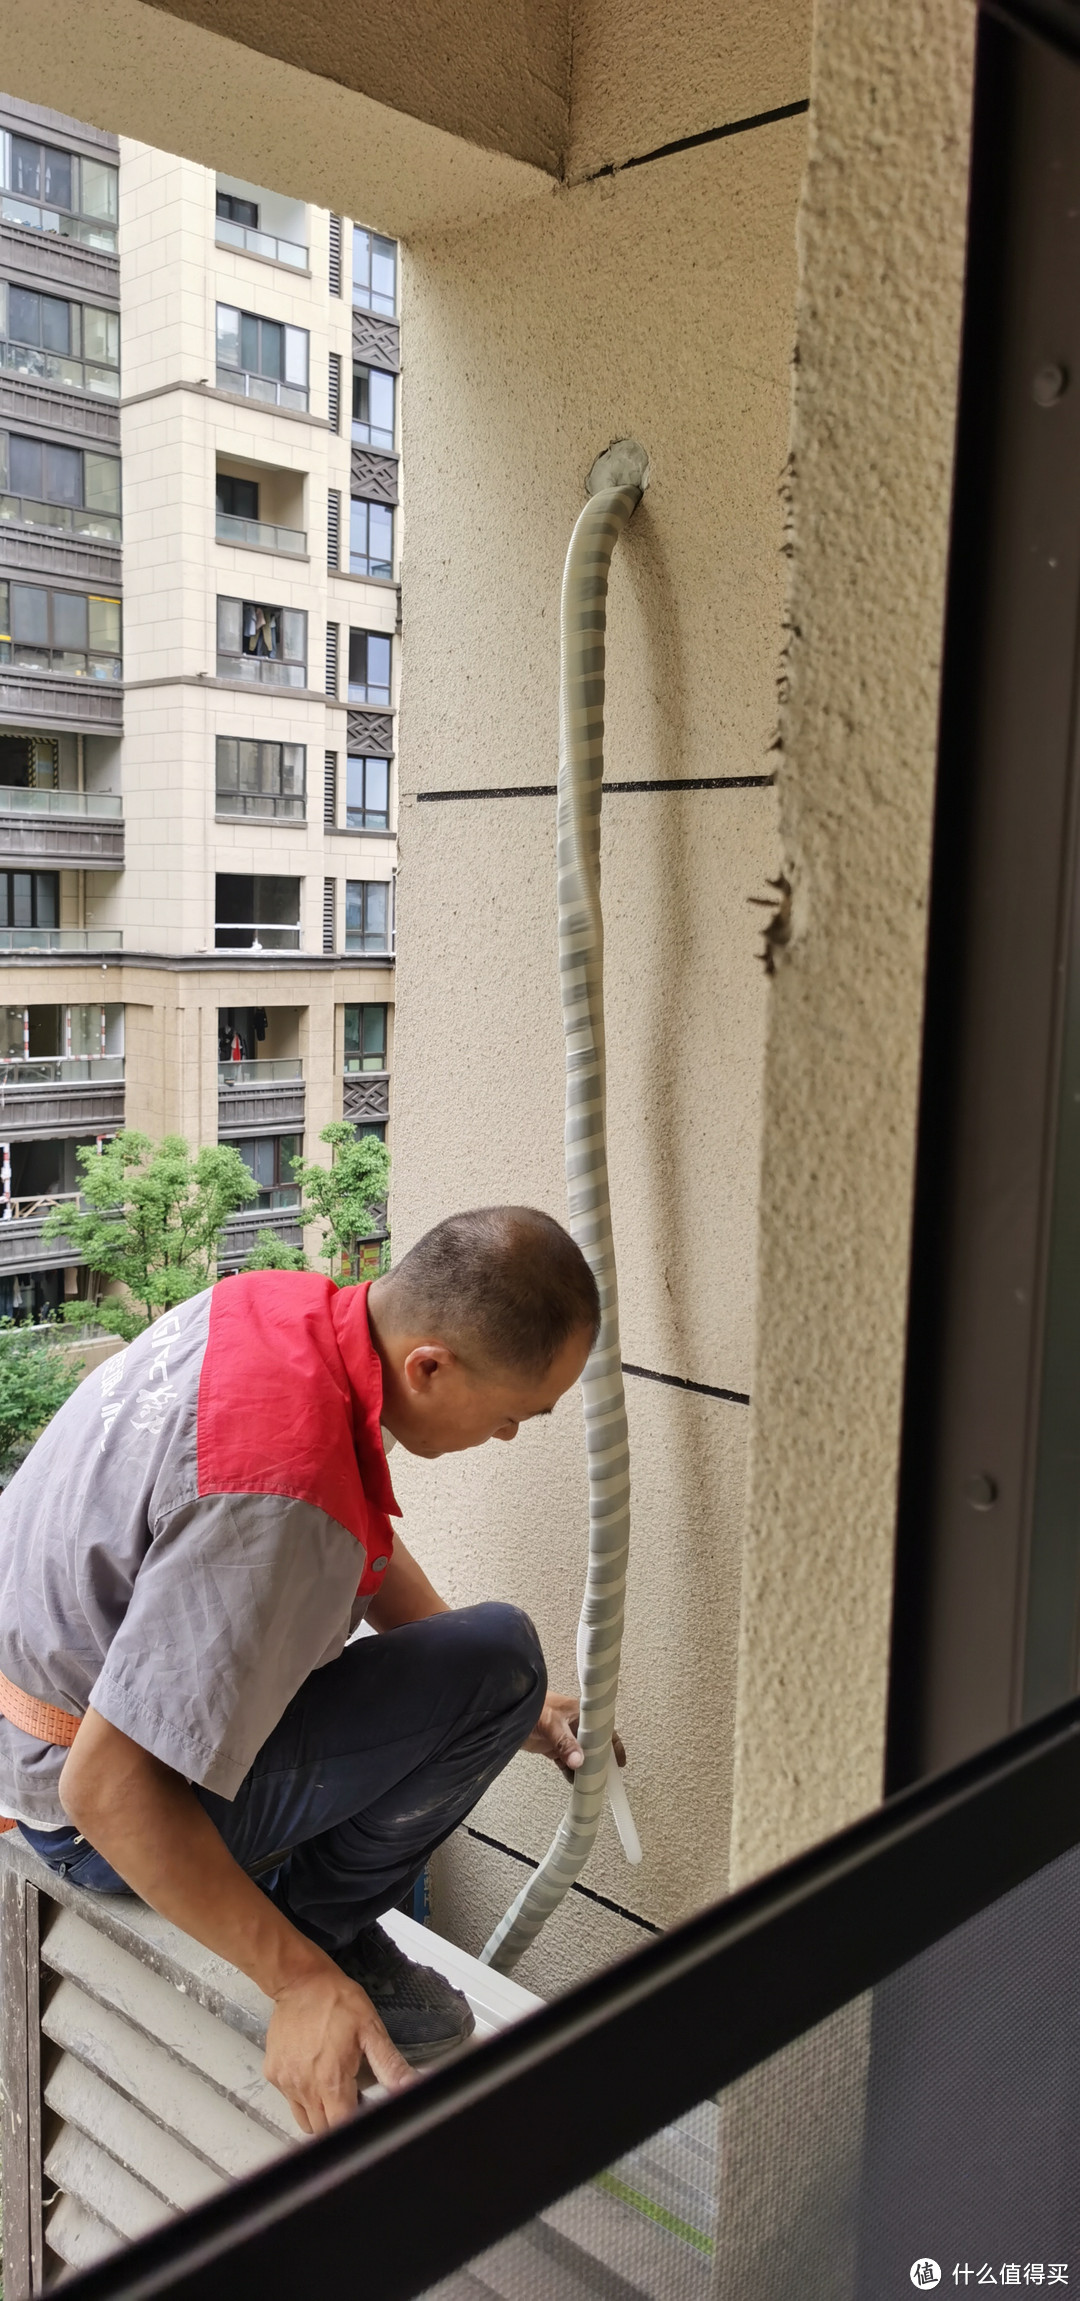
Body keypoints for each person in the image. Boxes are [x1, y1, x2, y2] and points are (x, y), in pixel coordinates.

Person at [0, 1206, 615, 2135]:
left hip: (30, 1712)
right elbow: (106, 1788)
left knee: (489, 1669)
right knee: (503, 1656)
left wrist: (479, 1703)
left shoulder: (280, 1310)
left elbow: (348, 1512)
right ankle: (321, 1928)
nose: (509, 1438)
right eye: (512, 1416)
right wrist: (295, 1978)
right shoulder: (283, 1494)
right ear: (431, 1367)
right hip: (78, 1811)